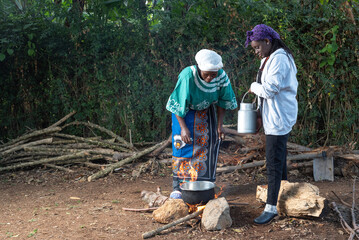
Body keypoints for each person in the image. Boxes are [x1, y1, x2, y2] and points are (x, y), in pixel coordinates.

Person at [166, 49, 238, 199]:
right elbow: (178, 103)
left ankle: (202, 184)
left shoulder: (221, 76)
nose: (211, 78)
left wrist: (219, 126)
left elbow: (223, 102)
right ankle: (178, 187)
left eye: (214, 74)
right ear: (199, 68)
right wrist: (184, 128)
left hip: (206, 112)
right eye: (207, 74)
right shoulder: (188, 76)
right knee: (182, 145)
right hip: (184, 113)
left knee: (207, 145)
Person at [245, 24, 298, 224]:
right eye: (254, 48)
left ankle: (271, 208)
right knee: (279, 159)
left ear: (268, 41)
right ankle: (283, 198)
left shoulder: (281, 59)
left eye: (258, 47)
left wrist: (253, 86)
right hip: (272, 117)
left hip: (279, 117)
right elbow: (265, 92)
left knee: (273, 163)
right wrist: (259, 114)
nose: (256, 51)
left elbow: (269, 90)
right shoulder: (269, 58)